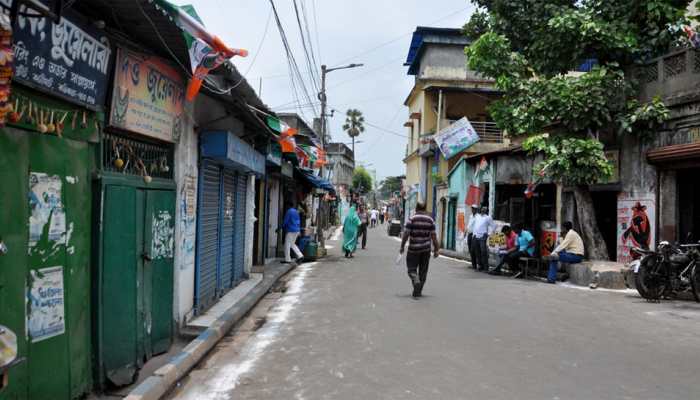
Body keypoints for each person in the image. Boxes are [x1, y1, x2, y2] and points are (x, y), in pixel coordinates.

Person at [399, 202, 440, 298]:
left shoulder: (412, 219)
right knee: (423, 271)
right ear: (425, 208)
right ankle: (418, 291)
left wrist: (402, 246)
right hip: (426, 250)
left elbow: (406, 234)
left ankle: (415, 280)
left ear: (416, 208)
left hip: (413, 249)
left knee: (411, 269)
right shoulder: (430, 220)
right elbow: (434, 236)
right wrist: (436, 249)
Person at [472, 206, 495, 271]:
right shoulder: (477, 216)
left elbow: (493, 226)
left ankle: (485, 267)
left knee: (483, 251)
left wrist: (489, 234)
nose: (483, 210)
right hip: (476, 236)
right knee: (477, 252)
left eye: (485, 209)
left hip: (483, 236)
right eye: (483, 208)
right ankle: (480, 266)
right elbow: (475, 225)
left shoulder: (488, 218)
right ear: (480, 209)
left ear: (486, 210)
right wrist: (474, 234)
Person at [466, 205, 479, 269]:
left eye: (474, 209)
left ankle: (475, 265)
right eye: (472, 209)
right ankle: (473, 264)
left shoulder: (478, 217)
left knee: (473, 250)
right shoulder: (471, 216)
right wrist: (466, 231)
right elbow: (469, 224)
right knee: (470, 250)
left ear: (476, 210)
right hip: (469, 233)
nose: (473, 210)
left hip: (474, 235)